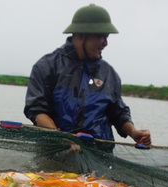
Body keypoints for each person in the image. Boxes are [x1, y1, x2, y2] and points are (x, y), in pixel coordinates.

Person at [24, 3, 152, 153]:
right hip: (54, 153)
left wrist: (134, 132)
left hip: (99, 156)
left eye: (107, 36)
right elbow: (37, 110)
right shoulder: (47, 66)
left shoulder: (109, 74)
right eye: (100, 36)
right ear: (81, 35)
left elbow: (118, 113)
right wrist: (61, 139)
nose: (105, 43)